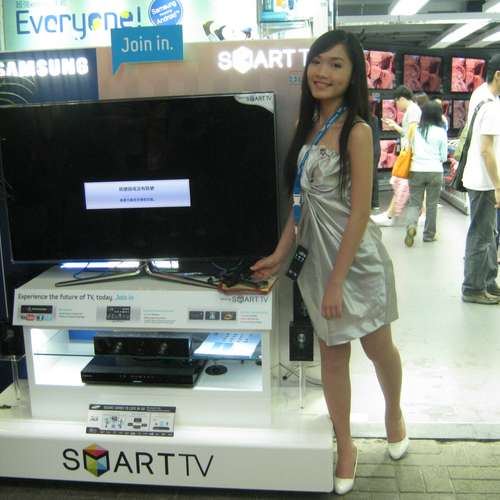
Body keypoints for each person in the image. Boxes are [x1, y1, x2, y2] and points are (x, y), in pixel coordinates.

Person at [251, 30, 407, 495]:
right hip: (316, 262)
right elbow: (301, 202)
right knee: (333, 356)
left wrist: (337, 282)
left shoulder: (358, 130)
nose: (322, 72)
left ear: (353, 74)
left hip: (357, 263)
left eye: (336, 64)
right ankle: (346, 446)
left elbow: (359, 213)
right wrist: (280, 254)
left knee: (379, 349)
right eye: (317, 62)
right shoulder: (308, 124)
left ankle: (394, 413)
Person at [461, 54, 500, 305]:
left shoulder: (480, 94)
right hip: (485, 182)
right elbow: (486, 150)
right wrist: (498, 186)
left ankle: (487, 281)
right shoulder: (491, 106)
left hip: (478, 178)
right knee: (481, 235)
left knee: (488, 233)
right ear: (498, 75)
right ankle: (473, 288)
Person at [372, 85, 422, 226]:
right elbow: (408, 132)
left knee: (400, 183)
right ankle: (393, 215)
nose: (397, 106)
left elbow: (411, 133)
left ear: (402, 99)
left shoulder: (413, 110)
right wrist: (394, 125)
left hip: (409, 154)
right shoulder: (413, 110)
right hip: (410, 153)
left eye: (396, 102)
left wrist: (408, 153)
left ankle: (390, 216)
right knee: (409, 186)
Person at [403, 101, 448, 247]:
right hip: (435, 171)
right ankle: (429, 235)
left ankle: (411, 226)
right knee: (432, 205)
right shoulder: (441, 132)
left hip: (416, 170)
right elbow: (444, 157)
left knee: (414, 203)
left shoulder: (415, 130)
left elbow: (409, 148)